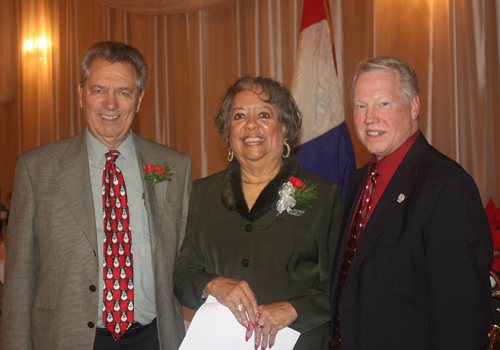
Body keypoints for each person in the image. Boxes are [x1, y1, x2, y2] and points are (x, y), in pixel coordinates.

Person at [0, 41, 192, 350]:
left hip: (152, 339)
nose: (111, 104)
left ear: (139, 99)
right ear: (81, 94)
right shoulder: (36, 169)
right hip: (66, 339)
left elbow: (187, 261)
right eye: (99, 90)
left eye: (124, 92)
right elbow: (19, 281)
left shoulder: (175, 167)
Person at [329, 56, 492, 350]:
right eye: (361, 105)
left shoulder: (447, 186)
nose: (369, 118)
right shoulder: (357, 182)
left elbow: (461, 320)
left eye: (383, 104)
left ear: (414, 106)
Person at [174, 76, 343, 350]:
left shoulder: (323, 196)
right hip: (218, 342)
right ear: (229, 132)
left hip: (298, 342)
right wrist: (214, 284)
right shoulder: (202, 192)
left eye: (264, 114)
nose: (250, 124)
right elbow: (182, 274)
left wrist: (293, 308)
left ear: (284, 127)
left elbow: (339, 285)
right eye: (239, 116)